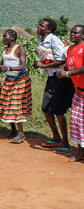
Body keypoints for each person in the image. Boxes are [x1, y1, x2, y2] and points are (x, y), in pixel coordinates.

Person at [34, 18, 73, 154]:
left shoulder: (53, 40)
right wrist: (40, 63)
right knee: (46, 108)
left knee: (58, 111)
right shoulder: (42, 40)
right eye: (39, 25)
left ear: (49, 29)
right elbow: (49, 57)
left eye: (42, 26)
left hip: (60, 79)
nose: (38, 27)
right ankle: (56, 137)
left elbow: (62, 59)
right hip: (52, 77)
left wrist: (43, 65)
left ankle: (66, 143)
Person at [0, 29, 31, 144]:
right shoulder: (5, 50)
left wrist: (10, 69)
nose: (3, 38)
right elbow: (1, 66)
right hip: (8, 81)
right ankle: (13, 130)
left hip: (20, 81)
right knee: (6, 105)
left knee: (17, 107)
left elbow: (23, 66)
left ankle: (21, 133)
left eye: (5, 37)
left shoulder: (20, 49)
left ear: (12, 38)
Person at [57, 25, 84, 162]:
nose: (72, 34)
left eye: (75, 32)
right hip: (78, 92)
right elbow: (68, 63)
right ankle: (80, 152)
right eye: (71, 32)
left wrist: (68, 73)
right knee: (77, 123)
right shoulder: (71, 49)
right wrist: (61, 68)